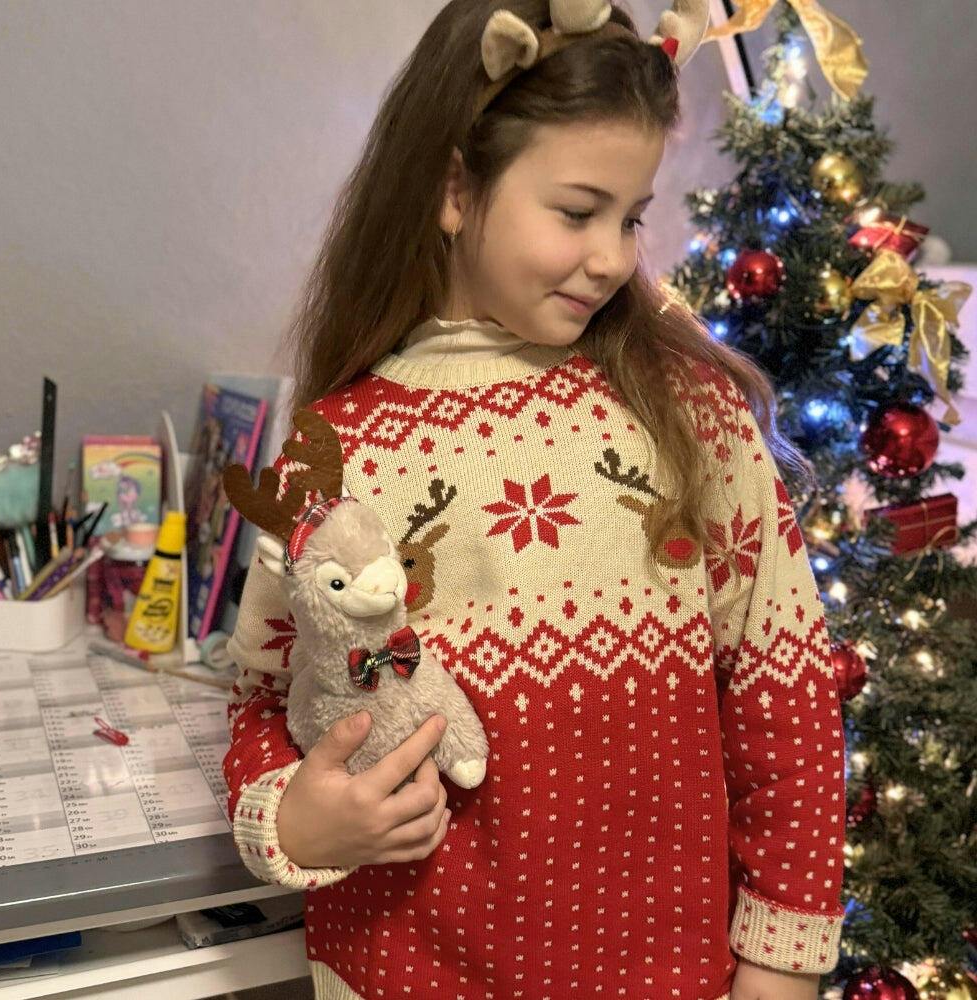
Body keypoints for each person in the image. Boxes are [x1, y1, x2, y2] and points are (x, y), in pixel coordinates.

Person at [222, 2, 847, 997]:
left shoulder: (690, 416)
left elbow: (787, 695)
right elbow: (265, 695)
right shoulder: (335, 450)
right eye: (577, 212)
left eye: (630, 218)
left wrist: (779, 966)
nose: (614, 258)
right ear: (455, 189)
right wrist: (292, 819)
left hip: (664, 979)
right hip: (398, 974)